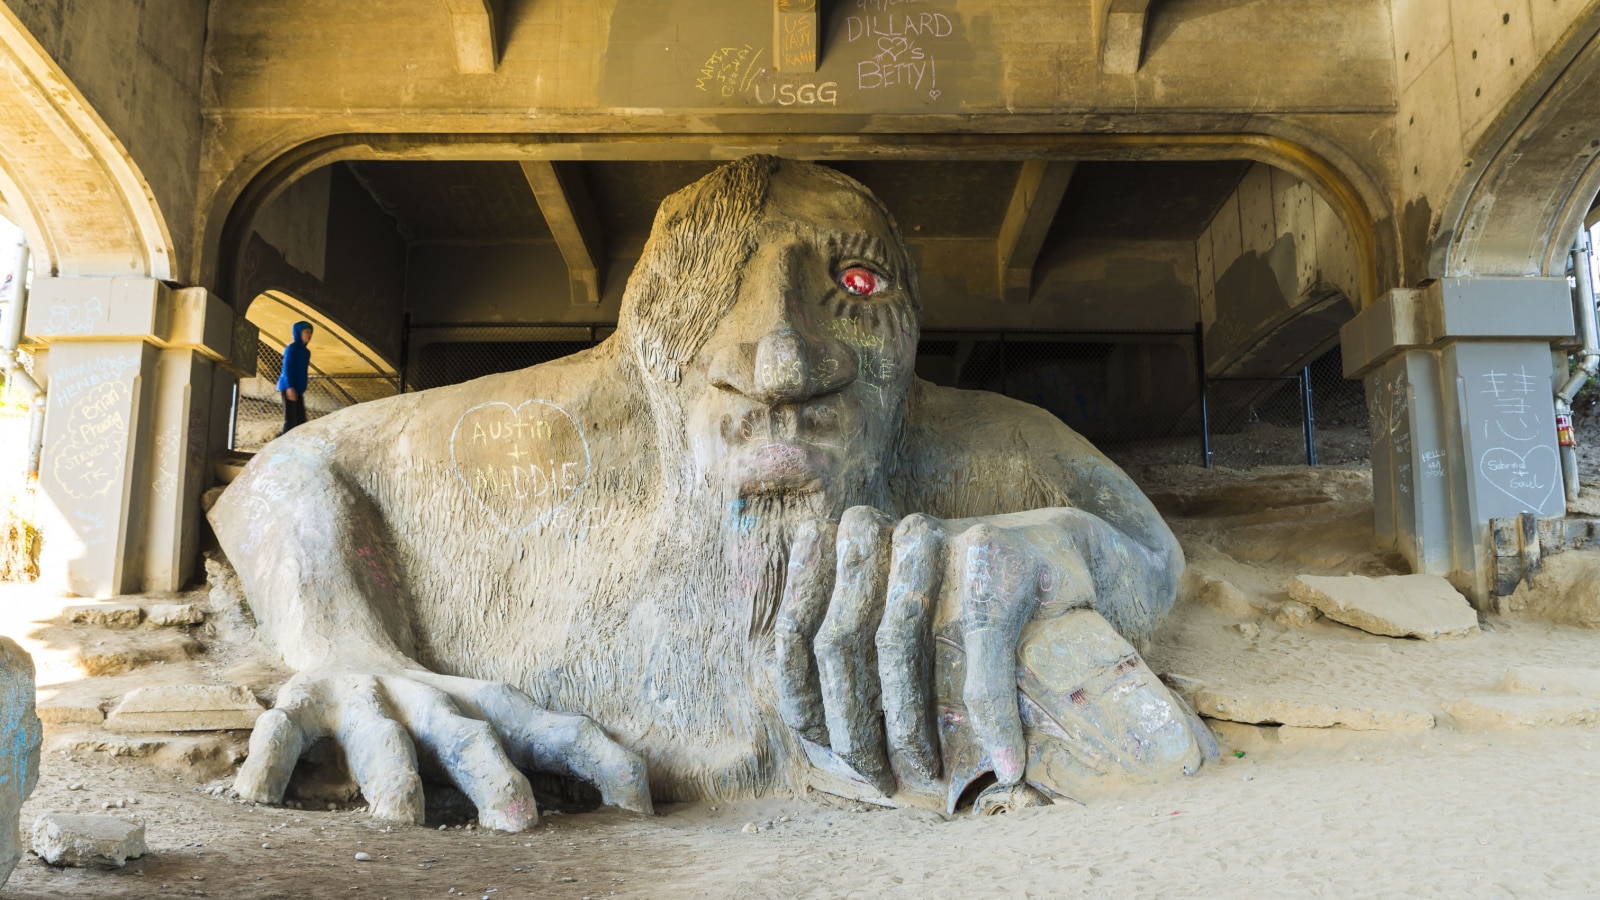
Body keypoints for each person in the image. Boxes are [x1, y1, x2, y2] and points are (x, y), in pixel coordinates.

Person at [210, 157, 1194, 830]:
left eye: (854, 283)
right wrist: (342, 649)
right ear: (641, 337)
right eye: (710, 284)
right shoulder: (564, 425)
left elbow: (1150, 554)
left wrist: (1070, 550)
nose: (781, 361)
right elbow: (287, 471)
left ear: (909, 334)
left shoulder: (984, 447)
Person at [276, 321, 313, 434]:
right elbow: (287, 368)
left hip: (298, 390)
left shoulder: (306, 352)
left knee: (301, 421)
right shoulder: (292, 348)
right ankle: (281, 445)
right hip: (289, 388)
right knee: (291, 421)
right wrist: (289, 387)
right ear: (298, 333)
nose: (309, 335)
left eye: (310, 333)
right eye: (306, 332)